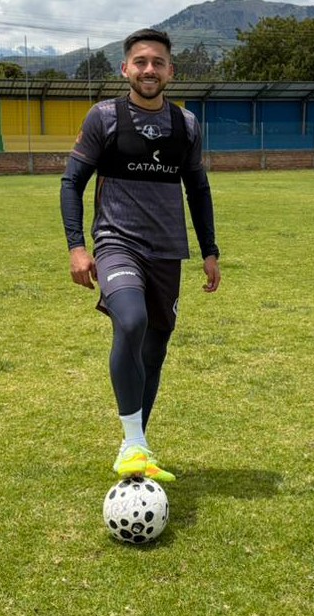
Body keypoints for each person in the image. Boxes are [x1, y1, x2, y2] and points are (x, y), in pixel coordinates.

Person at [60, 27, 221, 483]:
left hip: (167, 251)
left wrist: (209, 251)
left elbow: (198, 189)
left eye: (158, 63)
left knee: (154, 349)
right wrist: (77, 246)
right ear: (125, 68)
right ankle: (133, 442)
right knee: (131, 322)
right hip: (117, 243)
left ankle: (136, 446)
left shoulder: (186, 125)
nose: (149, 70)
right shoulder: (104, 117)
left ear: (170, 71)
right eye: (141, 62)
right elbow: (72, 182)